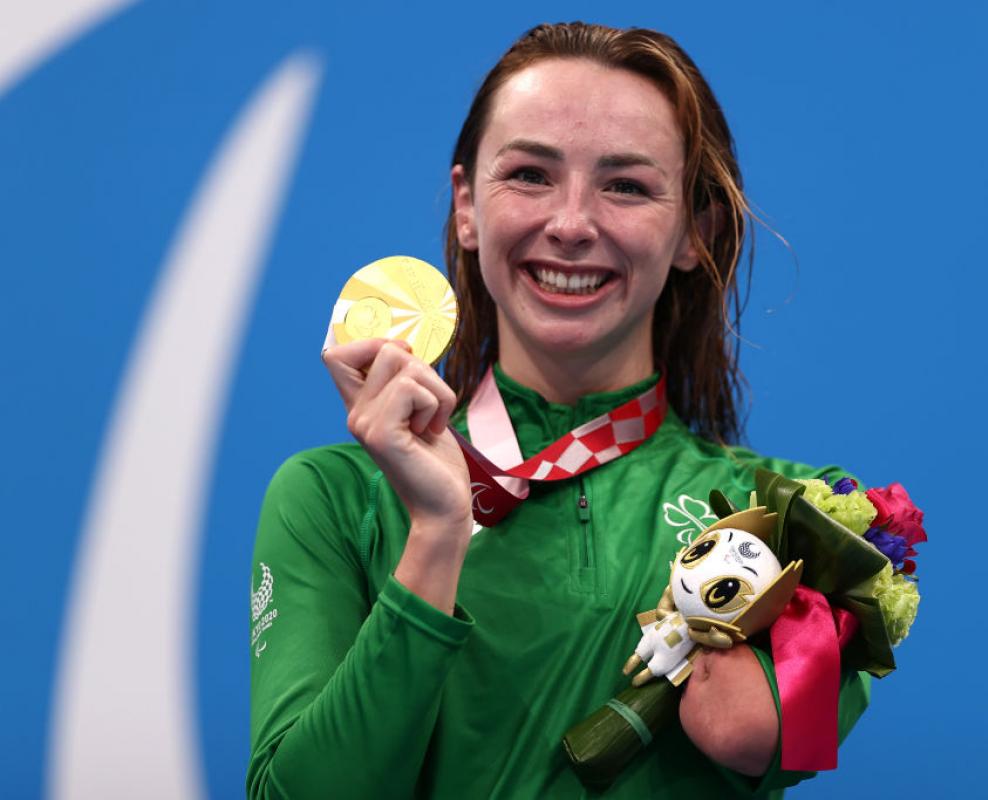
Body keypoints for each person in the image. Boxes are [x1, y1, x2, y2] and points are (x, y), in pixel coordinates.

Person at [248, 22, 870, 799]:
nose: (572, 224)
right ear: (467, 205)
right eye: (531, 175)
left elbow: (759, 743)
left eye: (627, 185)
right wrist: (438, 534)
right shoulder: (334, 498)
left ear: (693, 233)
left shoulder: (797, 526)